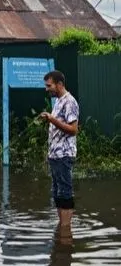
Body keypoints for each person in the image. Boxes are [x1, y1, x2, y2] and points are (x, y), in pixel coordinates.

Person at [40, 70, 79, 228]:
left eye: (49, 85)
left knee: (65, 192)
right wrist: (49, 118)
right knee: (57, 193)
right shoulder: (58, 102)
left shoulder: (70, 101)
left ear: (60, 84)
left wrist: (52, 119)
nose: (47, 89)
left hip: (64, 156)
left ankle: (65, 233)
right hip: (55, 156)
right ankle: (61, 230)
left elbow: (73, 129)